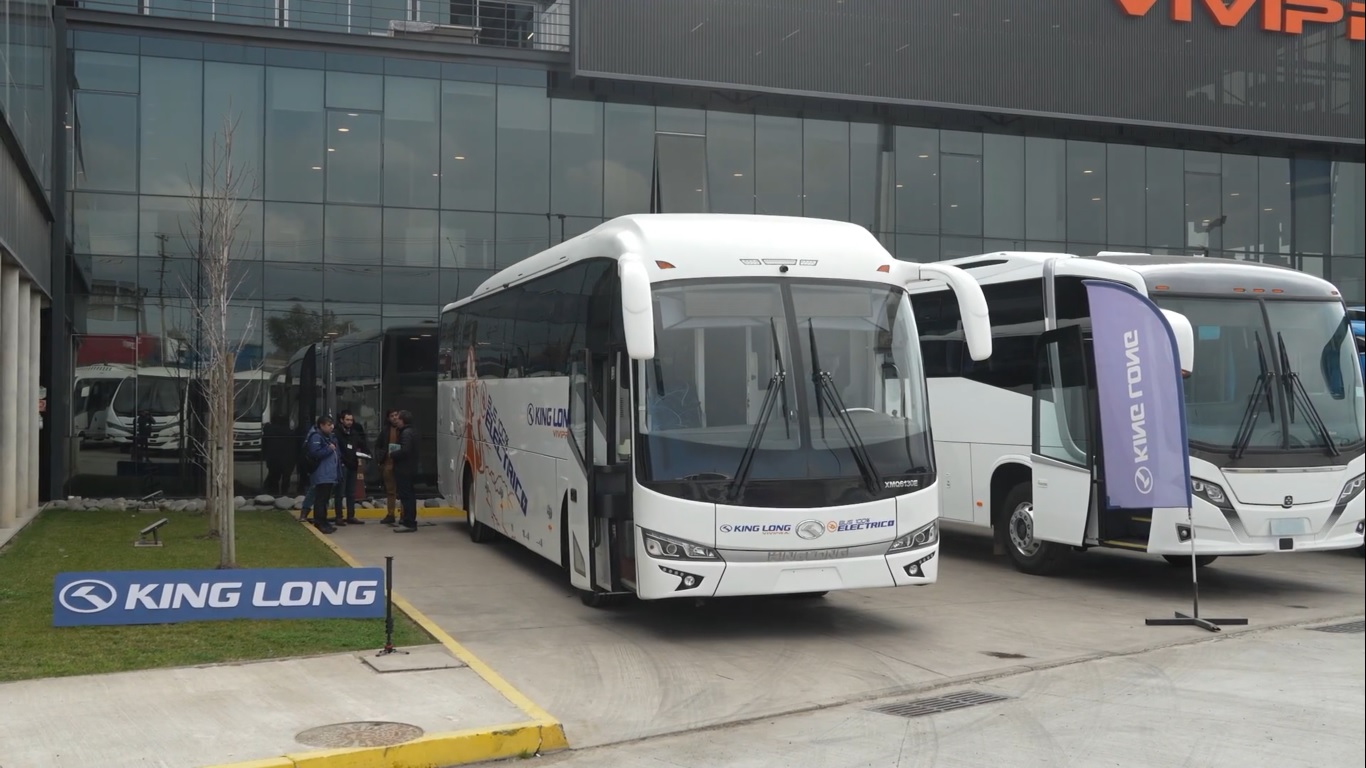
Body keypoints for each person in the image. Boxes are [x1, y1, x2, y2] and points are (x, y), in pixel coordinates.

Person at [304, 416, 341, 534]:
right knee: (320, 499)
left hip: (329, 474)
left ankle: (324, 521)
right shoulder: (316, 437)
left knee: (325, 499)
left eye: (332, 424)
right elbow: (314, 453)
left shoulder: (328, 437)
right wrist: (329, 449)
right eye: (328, 425)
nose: (332, 427)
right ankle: (319, 522)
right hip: (322, 474)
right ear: (321, 425)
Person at [331, 410, 368, 526]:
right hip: (342, 465)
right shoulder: (336, 433)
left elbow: (362, 444)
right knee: (340, 492)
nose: (349, 422)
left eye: (351, 420)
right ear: (342, 420)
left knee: (351, 492)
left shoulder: (354, 433)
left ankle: (351, 516)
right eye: (347, 419)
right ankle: (339, 517)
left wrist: (368, 454)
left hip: (353, 465)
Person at [389, 410, 420, 533]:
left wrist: (393, 454)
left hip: (404, 469)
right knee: (409, 496)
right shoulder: (412, 431)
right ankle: (409, 521)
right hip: (410, 468)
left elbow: (405, 450)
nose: (397, 421)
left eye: (399, 419)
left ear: (403, 420)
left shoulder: (406, 433)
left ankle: (409, 522)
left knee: (406, 496)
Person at [373, 409, 401, 526]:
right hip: (388, 464)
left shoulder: (405, 429)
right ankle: (390, 514)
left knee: (403, 491)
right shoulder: (385, 430)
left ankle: (404, 515)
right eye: (392, 416)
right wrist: (380, 460)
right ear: (388, 418)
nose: (394, 418)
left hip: (401, 464)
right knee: (390, 491)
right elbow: (378, 446)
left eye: (396, 415)